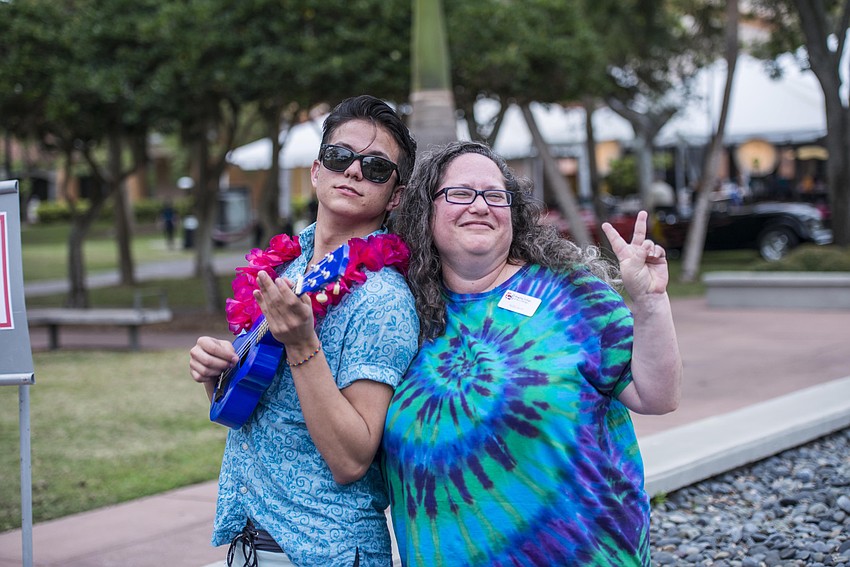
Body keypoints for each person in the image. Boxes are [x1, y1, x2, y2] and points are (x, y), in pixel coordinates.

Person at [382, 141, 683, 566]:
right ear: (424, 210)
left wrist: (651, 301)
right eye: (460, 193)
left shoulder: (570, 295)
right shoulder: (398, 314)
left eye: (495, 195)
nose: (480, 206)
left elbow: (657, 395)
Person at [189, 95, 419, 567]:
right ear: (317, 171)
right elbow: (255, 413)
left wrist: (301, 344)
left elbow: (352, 460)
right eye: (339, 156)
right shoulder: (287, 270)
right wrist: (219, 374)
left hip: (326, 550)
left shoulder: (383, 299)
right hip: (253, 542)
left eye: (376, 167)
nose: (353, 171)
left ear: (395, 196)